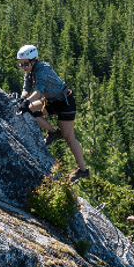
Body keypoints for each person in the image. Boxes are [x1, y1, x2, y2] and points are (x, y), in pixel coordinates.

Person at [16, 44, 89, 181]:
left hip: (64, 102)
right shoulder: (29, 72)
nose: (23, 67)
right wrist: (23, 98)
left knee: (69, 138)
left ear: (33, 60)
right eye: (21, 64)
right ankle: (53, 132)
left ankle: (83, 170)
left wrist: (26, 101)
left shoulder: (42, 69)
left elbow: (39, 91)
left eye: (25, 63)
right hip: (51, 101)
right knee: (31, 109)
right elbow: (26, 88)